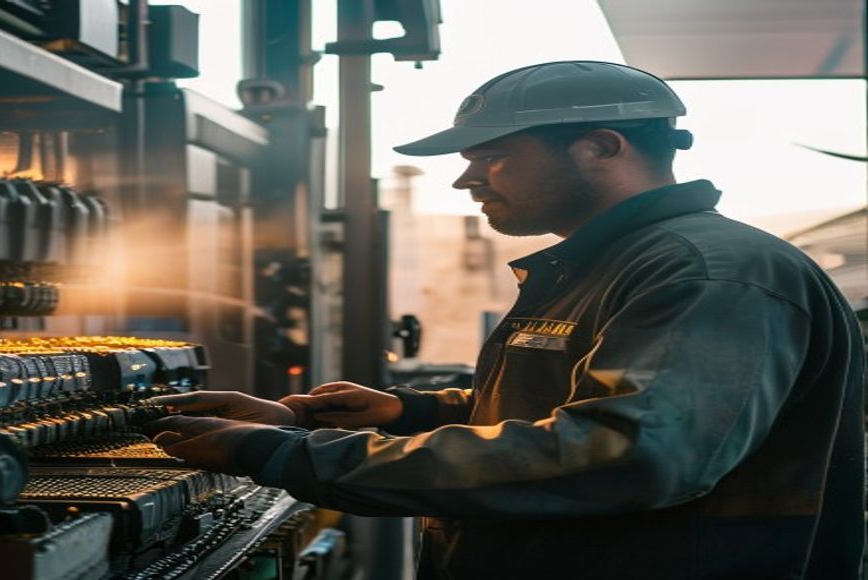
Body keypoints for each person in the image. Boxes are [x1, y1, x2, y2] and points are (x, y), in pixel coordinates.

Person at [147, 61, 865, 579]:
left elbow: (632, 453)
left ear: (602, 146)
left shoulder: (709, 273)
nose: (465, 180)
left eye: (490, 157)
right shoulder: (603, 262)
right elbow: (570, 407)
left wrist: (282, 457)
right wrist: (403, 410)